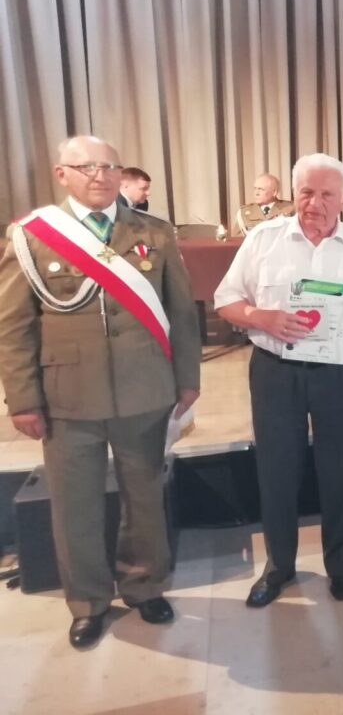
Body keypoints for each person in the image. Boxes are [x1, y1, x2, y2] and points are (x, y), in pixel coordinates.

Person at [0, 136, 201, 648]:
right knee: (75, 505)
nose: (100, 175)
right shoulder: (32, 236)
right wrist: (23, 399)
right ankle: (87, 602)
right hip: (67, 395)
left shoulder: (153, 232)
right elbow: (14, 326)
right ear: (61, 174)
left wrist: (187, 378)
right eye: (87, 166)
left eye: (109, 166)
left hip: (145, 389)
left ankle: (145, 586)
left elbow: (181, 311)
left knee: (145, 497)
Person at [215, 153, 343, 606]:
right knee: (277, 470)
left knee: (341, 471)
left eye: (326, 194)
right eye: (306, 192)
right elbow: (225, 300)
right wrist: (260, 316)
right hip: (276, 372)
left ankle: (341, 566)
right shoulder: (264, 239)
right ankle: (279, 567)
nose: (315, 203)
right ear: (292, 194)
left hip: (339, 371)